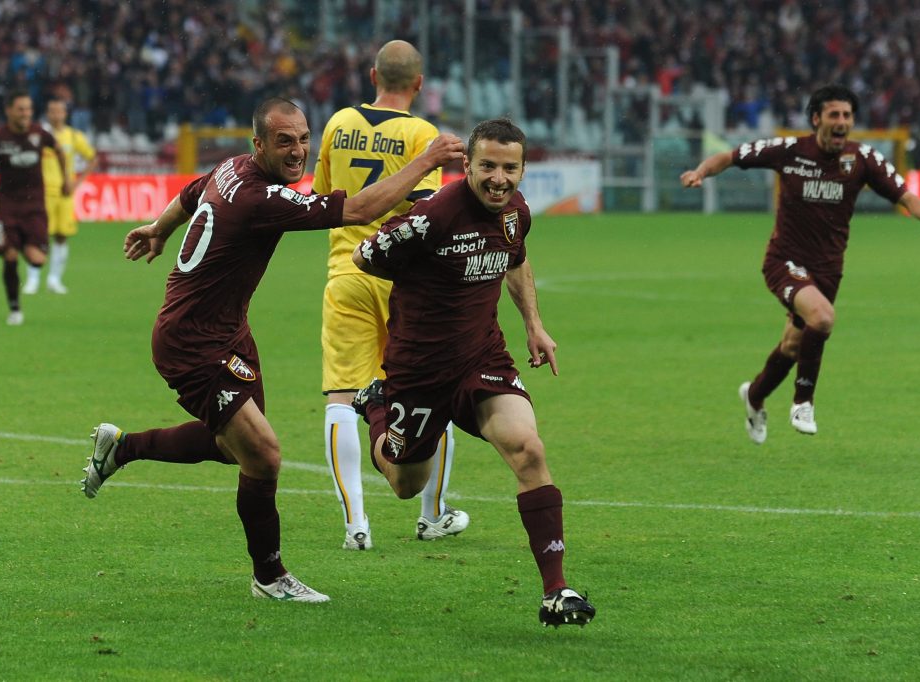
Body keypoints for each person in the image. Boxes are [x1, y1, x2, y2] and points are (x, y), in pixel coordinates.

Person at [80, 97, 463, 603]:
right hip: (192, 343)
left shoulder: (231, 169)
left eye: (304, 138)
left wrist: (158, 228)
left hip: (228, 331)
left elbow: (191, 193)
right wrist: (427, 160)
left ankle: (121, 448)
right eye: (285, 141)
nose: (298, 150)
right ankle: (270, 576)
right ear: (257, 143)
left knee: (231, 446)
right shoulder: (261, 199)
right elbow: (363, 209)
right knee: (263, 457)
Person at [350, 118, 596, 628]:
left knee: (528, 449)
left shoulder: (516, 214)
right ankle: (376, 407)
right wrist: (420, 270)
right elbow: (364, 254)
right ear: (469, 165)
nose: (499, 179)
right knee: (403, 481)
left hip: (483, 358)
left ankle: (557, 590)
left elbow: (516, 259)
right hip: (418, 369)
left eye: (510, 168)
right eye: (488, 166)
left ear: (523, 169)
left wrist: (534, 325)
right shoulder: (435, 215)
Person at [680, 84, 920, 443]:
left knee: (793, 345)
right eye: (834, 115)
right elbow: (729, 157)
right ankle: (802, 402)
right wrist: (700, 171)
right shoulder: (789, 151)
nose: (842, 122)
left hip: (827, 271)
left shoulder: (863, 159)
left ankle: (754, 397)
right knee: (822, 318)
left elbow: (905, 195)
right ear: (816, 119)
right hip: (784, 261)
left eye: (847, 116)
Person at [313, 39, 468, 551]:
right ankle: (433, 515)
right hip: (404, 283)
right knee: (433, 392)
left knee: (340, 398)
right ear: (419, 84)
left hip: (346, 274)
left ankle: (356, 524)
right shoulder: (423, 134)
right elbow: (427, 215)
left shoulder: (338, 124)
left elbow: (323, 198)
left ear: (372, 75)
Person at [0, 90, 71, 325]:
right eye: (21, 109)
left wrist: (66, 179)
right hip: (6, 207)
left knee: (37, 259)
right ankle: (14, 308)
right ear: (9, 110)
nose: (26, 114)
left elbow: (60, 152)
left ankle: (19, 240)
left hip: (34, 208)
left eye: (29, 109)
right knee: (9, 257)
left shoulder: (39, 134)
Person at [23, 97, 99, 295]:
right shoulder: (38, 135)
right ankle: (32, 279)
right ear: (47, 113)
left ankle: (54, 279)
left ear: (65, 114)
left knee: (61, 236)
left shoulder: (74, 137)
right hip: (42, 194)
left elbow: (92, 158)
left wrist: (77, 182)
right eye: (52, 111)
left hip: (65, 194)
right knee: (37, 235)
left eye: (59, 111)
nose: (56, 115)